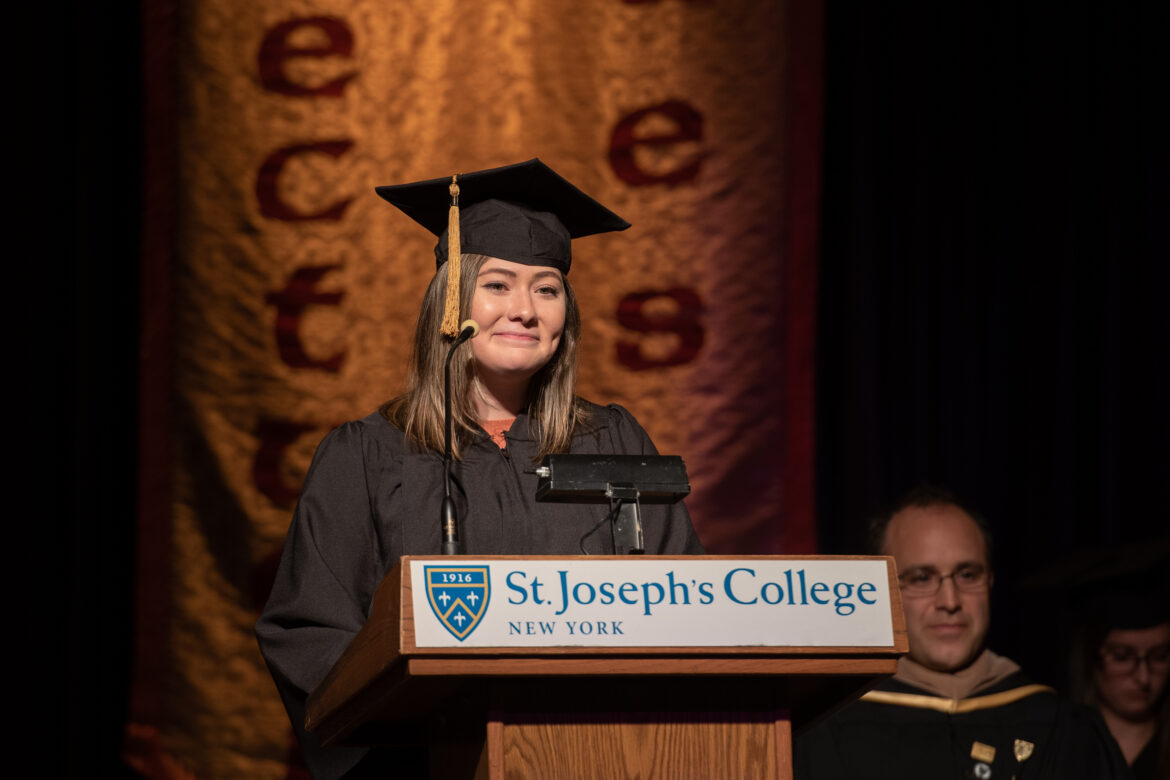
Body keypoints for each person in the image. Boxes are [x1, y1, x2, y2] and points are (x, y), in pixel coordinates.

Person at [256, 159, 705, 778]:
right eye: (497, 284)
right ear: (450, 303)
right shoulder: (365, 455)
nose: (525, 309)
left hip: (601, 756)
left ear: (565, 318)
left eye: (547, 289)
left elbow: (684, 604)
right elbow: (309, 631)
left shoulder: (613, 440)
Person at [795, 485, 1128, 779]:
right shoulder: (830, 733)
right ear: (879, 591)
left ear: (991, 582)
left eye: (967, 575)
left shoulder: (1063, 728)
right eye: (921, 578)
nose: (950, 601)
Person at [1070, 592, 1169, 778]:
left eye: (1160, 657)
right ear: (1091, 658)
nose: (1144, 678)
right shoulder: (1062, 744)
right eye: (1122, 657)